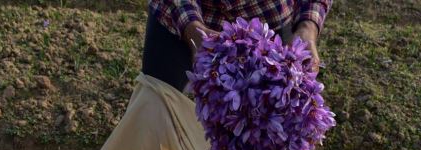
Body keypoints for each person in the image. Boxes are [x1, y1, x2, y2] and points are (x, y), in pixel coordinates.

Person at [142, 0, 332, 92]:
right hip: (182, 17)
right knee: (158, 106)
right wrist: (193, 28)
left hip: (267, 22)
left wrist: (307, 27)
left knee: (258, 130)